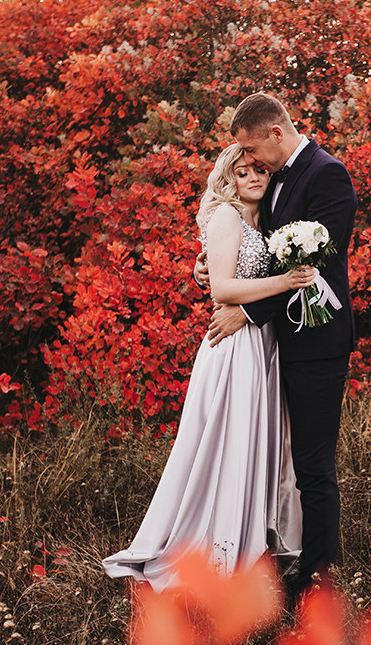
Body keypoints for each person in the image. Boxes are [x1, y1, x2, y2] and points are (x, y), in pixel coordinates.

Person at [103, 144, 316, 590]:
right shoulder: (226, 217)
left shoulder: (269, 222)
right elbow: (221, 284)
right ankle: (216, 550)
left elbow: (222, 274)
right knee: (227, 442)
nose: (254, 177)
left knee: (257, 441)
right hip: (235, 346)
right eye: (243, 172)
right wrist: (288, 280)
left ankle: (252, 540)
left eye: (259, 169)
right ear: (229, 179)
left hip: (264, 345)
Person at [197, 92, 356, 599]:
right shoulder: (274, 183)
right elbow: (257, 250)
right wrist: (207, 268)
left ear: (274, 134)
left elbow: (316, 267)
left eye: (251, 148)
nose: (249, 161)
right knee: (273, 456)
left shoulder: (326, 174)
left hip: (315, 344)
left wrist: (244, 311)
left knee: (312, 463)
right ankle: (266, 550)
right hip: (272, 346)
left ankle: (315, 581)